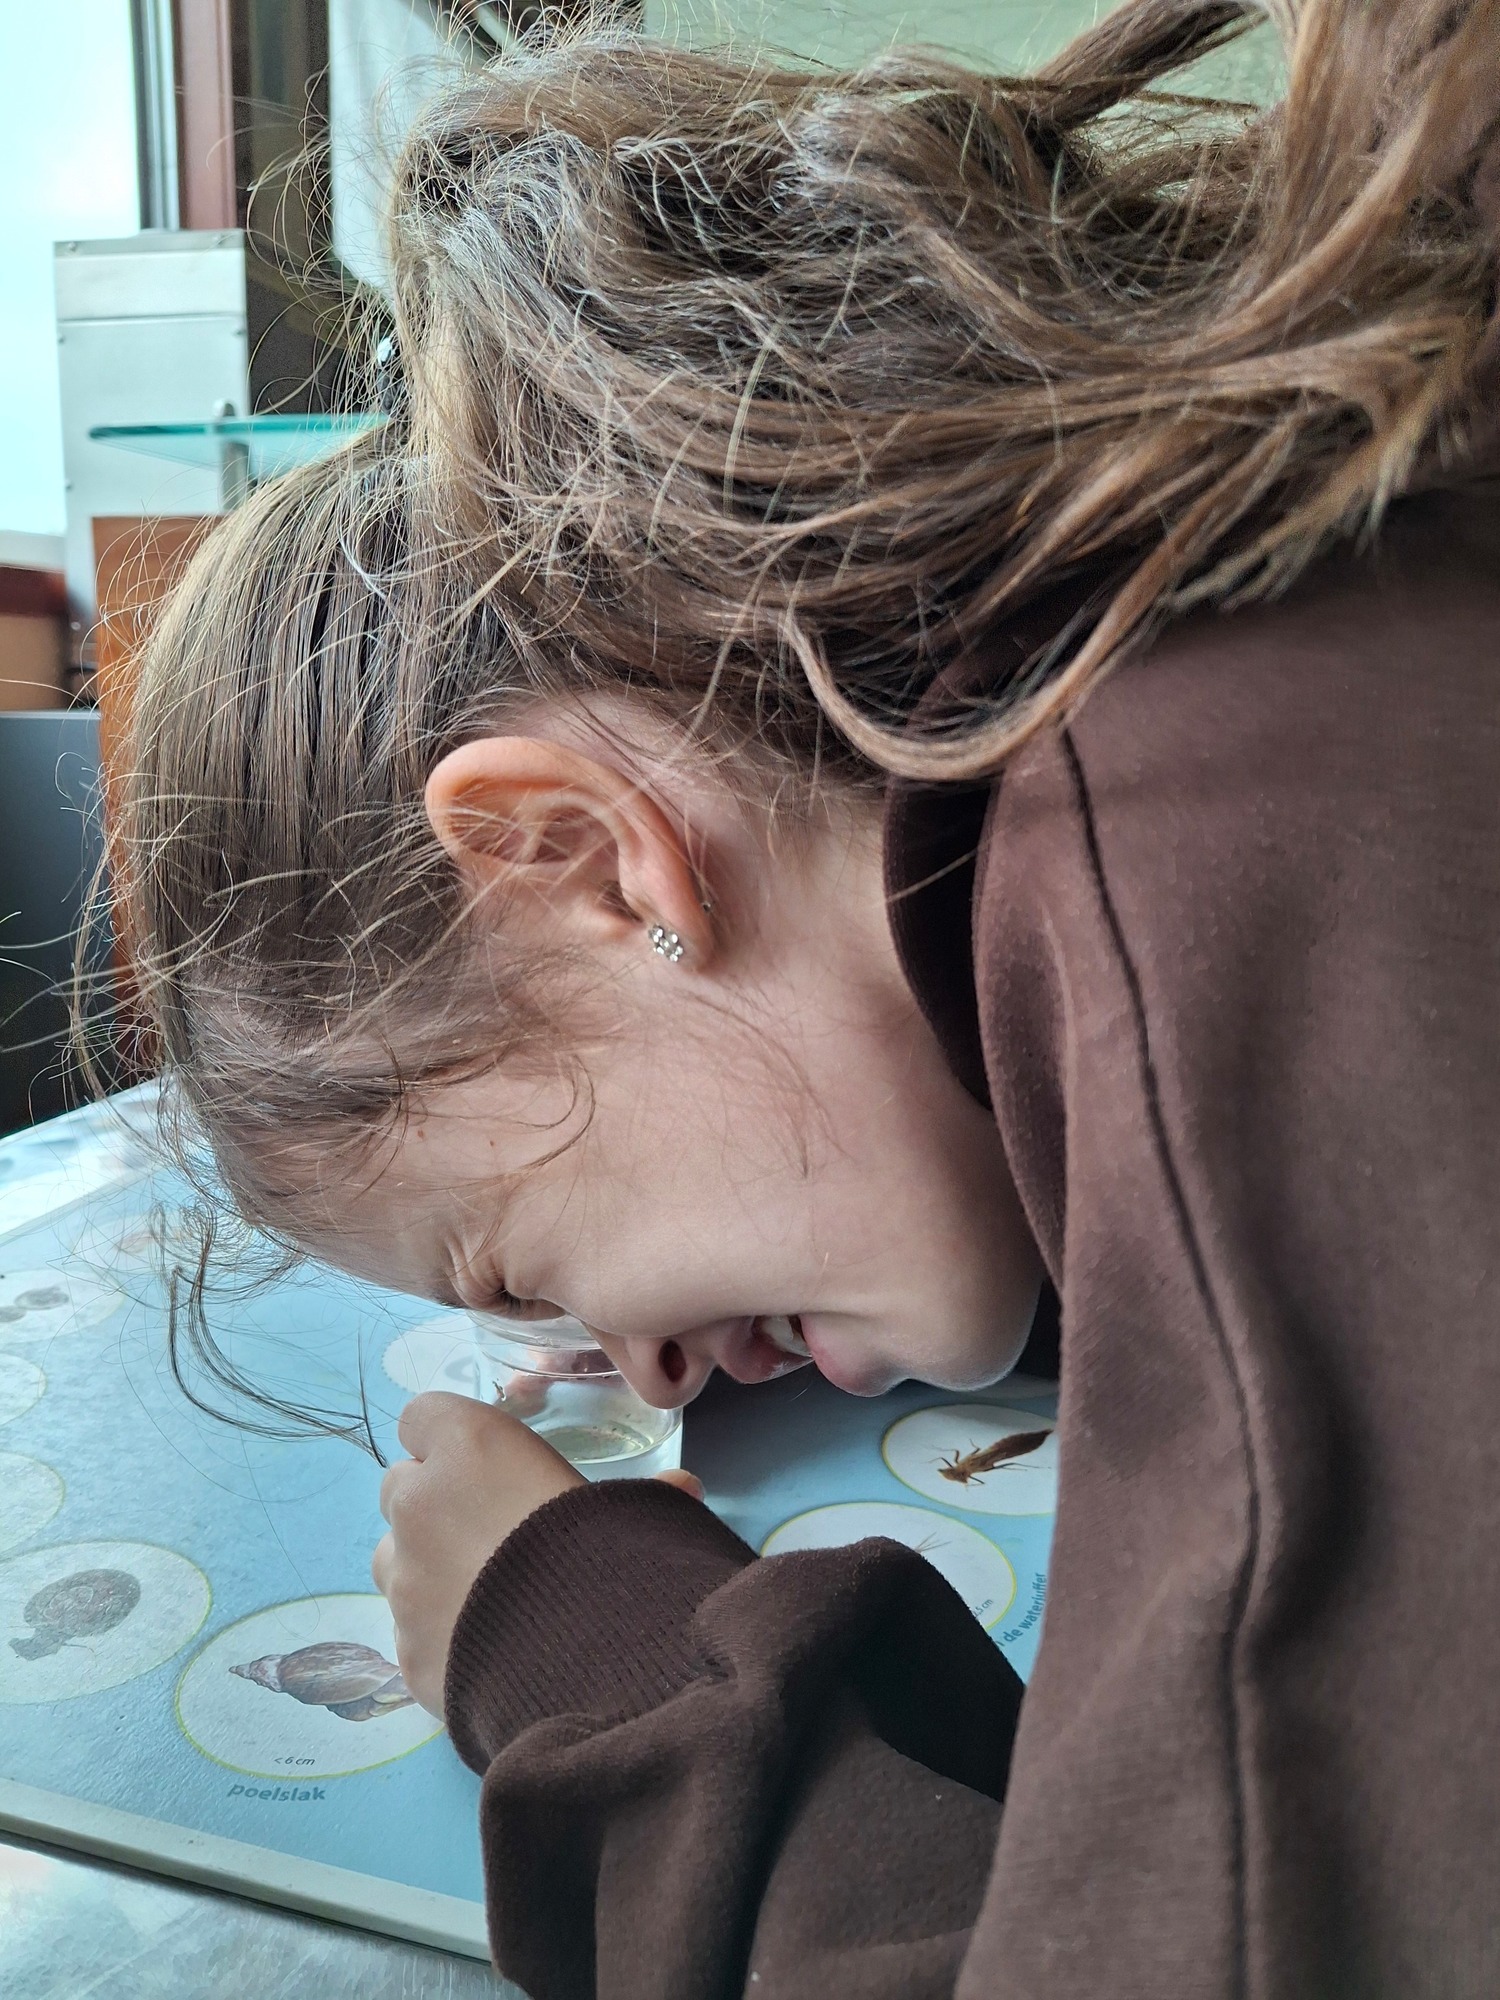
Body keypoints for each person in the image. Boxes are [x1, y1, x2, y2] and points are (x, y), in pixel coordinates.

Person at [107, 0, 1500, 1992]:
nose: (647, 1370)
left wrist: (599, 1661)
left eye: (526, 1270)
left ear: (590, 862)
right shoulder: (1266, 666)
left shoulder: (1219, 833)